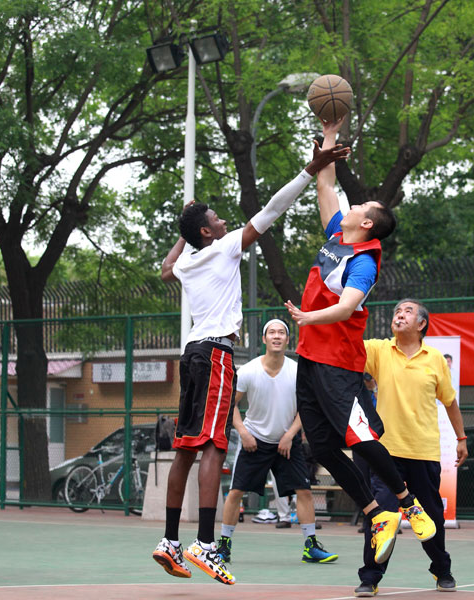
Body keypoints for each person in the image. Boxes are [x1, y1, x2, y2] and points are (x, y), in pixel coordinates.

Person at [151, 141, 350, 586]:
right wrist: (311, 168)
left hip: (190, 355)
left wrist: (185, 229)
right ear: (208, 233)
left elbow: (164, 269)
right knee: (213, 446)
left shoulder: (188, 260)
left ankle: (169, 541)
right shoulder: (222, 248)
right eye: (215, 219)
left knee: (185, 446)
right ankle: (205, 544)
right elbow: (273, 209)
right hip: (215, 353)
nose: (223, 221)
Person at [284, 118, 435, 571]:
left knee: (362, 437)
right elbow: (325, 183)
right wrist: (328, 137)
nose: (352, 204)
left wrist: (310, 316)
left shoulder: (364, 262)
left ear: (365, 222)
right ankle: (377, 511)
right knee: (324, 450)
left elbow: (348, 307)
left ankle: (408, 505)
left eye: (363, 204)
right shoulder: (336, 235)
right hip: (310, 360)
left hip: (338, 364)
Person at [355, 299, 468, 597]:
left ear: (421, 324)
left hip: (424, 451)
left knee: (431, 517)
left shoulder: (435, 359)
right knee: (381, 517)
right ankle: (370, 577)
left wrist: (461, 439)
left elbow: (450, 402)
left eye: (407, 311)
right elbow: (348, 345)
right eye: (396, 312)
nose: (399, 315)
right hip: (386, 452)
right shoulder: (379, 350)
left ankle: (442, 570)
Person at [217, 319, 338, 565]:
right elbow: (232, 405)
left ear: (286, 340)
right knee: (236, 491)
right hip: (255, 441)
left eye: (281, 332)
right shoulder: (249, 370)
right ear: (264, 339)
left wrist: (290, 434)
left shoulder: (297, 371)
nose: (276, 336)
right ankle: (223, 546)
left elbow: (306, 407)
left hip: (286, 443)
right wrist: (243, 432)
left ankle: (311, 546)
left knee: (303, 491)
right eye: (271, 332)